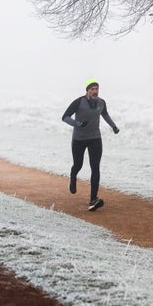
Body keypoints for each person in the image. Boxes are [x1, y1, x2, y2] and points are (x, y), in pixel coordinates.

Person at [61, 80, 120, 211]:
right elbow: (65, 117)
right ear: (87, 90)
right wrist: (78, 123)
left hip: (95, 138)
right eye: (92, 89)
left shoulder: (101, 102)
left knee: (95, 167)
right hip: (79, 139)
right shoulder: (78, 102)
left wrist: (114, 126)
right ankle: (73, 176)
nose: (95, 91)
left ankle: (93, 199)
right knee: (78, 164)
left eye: (97, 89)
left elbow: (105, 114)